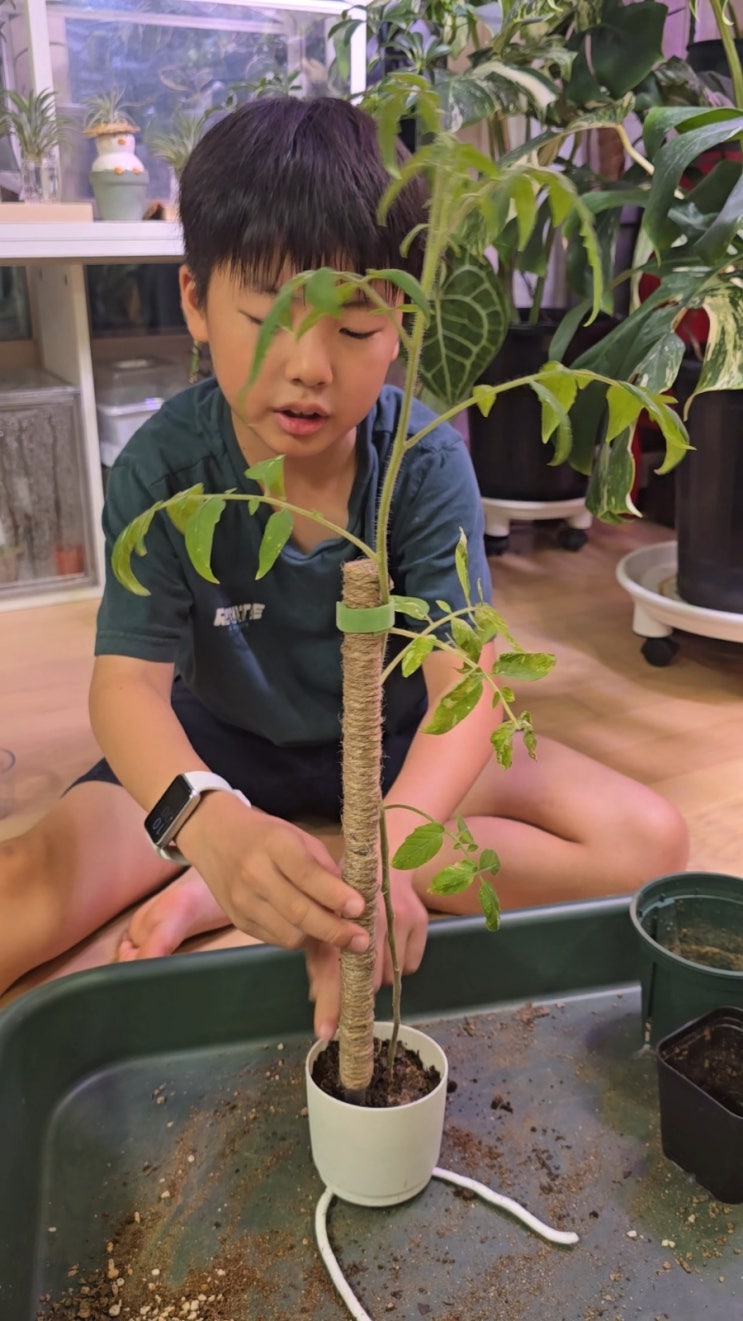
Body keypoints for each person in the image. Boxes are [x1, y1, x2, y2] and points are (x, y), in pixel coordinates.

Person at [0, 97, 688, 1032]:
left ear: (400, 320)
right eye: (265, 318)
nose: (309, 367)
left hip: (398, 745)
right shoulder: (163, 468)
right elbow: (125, 688)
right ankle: (244, 868)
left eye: (355, 328)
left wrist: (398, 840)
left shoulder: (422, 460)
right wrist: (209, 825)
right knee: (24, 892)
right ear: (195, 302)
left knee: (646, 842)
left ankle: (296, 882)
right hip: (219, 748)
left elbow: (467, 681)